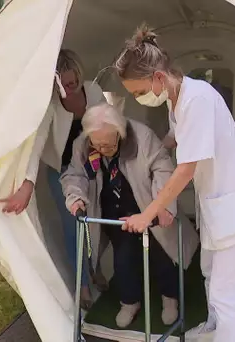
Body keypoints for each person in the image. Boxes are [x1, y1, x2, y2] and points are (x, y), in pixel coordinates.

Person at [112, 25, 235, 341]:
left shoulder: (197, 100)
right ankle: (211, 329)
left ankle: (224, 334)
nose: (139, 99)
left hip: (234, 209)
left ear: (158, 78)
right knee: (209, 274)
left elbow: (185, 170)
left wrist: (147, 214)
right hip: (215, 206)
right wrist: (152, 148)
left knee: (225, 295)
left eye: (139, 92)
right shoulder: (176, 96)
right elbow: (174, 137)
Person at [61, 102, 199, 328]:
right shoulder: (84, 144)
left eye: (107, 145)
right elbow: (74, 175)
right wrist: (75, 197)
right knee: (124, 259)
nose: (102, 150)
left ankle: (169, 299)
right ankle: (129, 302)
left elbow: (163, 168)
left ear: (120, 132)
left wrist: (162, 207)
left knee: (162, 256)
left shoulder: (142, 137)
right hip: (114, 211)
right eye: (98, 145)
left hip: (147, 205)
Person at [0, 49, 107, 310]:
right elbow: (35, 148)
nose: (69, 90)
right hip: (61, 172)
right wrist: (27, 185)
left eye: (74, 83)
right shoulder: (51, 106)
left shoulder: (93, 91)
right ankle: (82, 285)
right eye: (64, 85)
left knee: (98, 220)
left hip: (93, 165)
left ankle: (97, 269)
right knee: (74, 227)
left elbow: (109, 123)